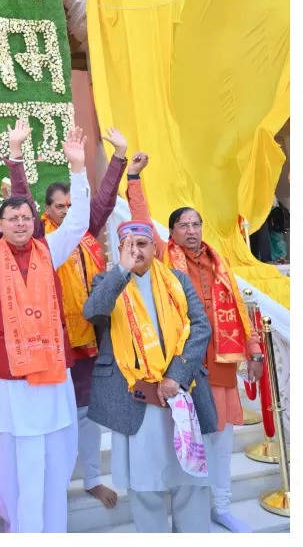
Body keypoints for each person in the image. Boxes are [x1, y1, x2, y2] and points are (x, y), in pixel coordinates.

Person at [0, 125, 89, 533]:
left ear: (36, 220)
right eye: (11, 217)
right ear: (0, 222)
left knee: (56, 456)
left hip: (52, 375)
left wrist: (80, 169)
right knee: (16, 462)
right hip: (12, 379)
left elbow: (79, 220)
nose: (19, 222)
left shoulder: (51, 250)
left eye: (26, 216)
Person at [125, 154, 263, 532]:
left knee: (218, 441)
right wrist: (133, 177)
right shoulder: (164, 261)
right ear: (169, 233)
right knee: (178, 443)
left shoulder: (220, 264)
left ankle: (220, 506)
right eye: (182, 224)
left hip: (217, 367)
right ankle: (184, 515)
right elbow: (141, 220)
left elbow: (239, 305)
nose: (191, 229)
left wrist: (253, 349)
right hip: (176, 370)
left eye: (195, 223)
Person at [5, 121, 129, 509]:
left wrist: (120, 157)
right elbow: (20, 196)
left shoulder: (84, 231)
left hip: (93, 336)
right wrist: (16, 156)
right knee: (58, 417)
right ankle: (52, 484)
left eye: (71, 207)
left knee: (90, 413)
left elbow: (105, 200)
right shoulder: (40, 239)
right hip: (54, 342)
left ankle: (91, 477)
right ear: (45, 210)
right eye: (60, 207)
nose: (66, 212)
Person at [83, 220, 215, 532]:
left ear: (155, 248)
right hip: (135, 397)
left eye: (142, 243)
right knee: (144, 483)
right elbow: (93, 312)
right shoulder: (107, 281)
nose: (136, 249)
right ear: (119, 249)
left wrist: (176, 376)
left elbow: (201, 327)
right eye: (128, 244)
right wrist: (122, 271)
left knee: (191, 480)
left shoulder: (177, 281)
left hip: (180, 394)